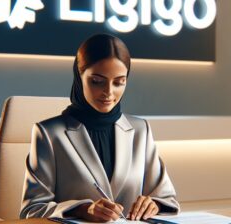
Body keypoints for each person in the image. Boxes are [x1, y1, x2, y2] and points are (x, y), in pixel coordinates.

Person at [20, 34, 179, 222]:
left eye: (119, 82)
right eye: (97, 81)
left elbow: (167, 198)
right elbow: (31, 210)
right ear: (79, 77)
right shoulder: (48, 133)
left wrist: (154, 204)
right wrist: (81, 210)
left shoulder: (140, 130)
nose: (109, 92)